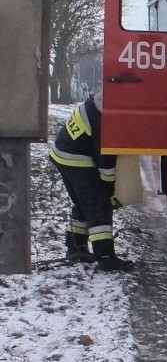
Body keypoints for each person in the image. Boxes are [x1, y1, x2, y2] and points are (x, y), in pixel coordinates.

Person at [49, 92, 133, 271]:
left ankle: (75, 249)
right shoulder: (106, 121)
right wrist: (108, 187)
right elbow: (105, 159)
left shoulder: (97, 105)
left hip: (63, 153)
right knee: (98, 206)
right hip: (75, 158)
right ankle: (105, 258)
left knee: (83, 203)